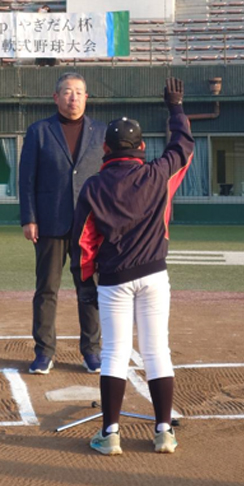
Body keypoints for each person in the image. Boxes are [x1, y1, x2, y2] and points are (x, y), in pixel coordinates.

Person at [71, 78, 194, 457]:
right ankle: (163, 432)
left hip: (114, 280)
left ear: (105, 149)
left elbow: (83, 243)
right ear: (141, 147)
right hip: (154, 275)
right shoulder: (157, 173)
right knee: (157, 351)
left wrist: (85, 286)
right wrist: (175, 107)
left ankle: (110, 434)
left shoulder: (93, 186)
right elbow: (183, 147)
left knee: (114, 353)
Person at [19, 72, 105, 375]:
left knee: (89, 290)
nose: (73, 97)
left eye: (79, 92)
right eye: (67, 92)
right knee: (46, 290)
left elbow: (109, 178)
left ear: (86, 97)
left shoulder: (101, 132)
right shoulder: (39, 131)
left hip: (89, 226)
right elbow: (26, 179)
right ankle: (44, 353)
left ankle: (92, 351)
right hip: (49, 223)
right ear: (56, 97)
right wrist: (29, 218)